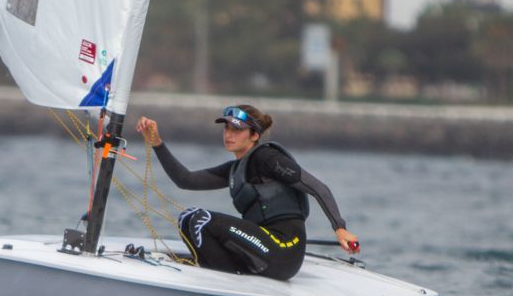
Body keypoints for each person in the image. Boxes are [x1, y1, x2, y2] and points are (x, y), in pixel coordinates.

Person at [136, 105, 359, 281]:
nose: (229, 134)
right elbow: (185, 180)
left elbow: (318, 187)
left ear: (254, 135)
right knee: (186, 219)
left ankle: (224, 277)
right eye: (226, 128)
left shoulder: (268, 158)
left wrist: (339, 228)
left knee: (199, 219)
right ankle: (221, 274)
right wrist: (157, 143)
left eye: (237, 129)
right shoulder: (235, 169)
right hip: (263, 248)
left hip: (284, 250)